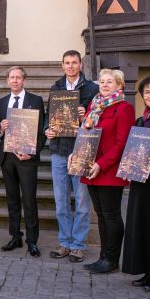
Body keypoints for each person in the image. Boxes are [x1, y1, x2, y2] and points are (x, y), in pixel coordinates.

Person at [77, 69, 134, 274]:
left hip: (109, 170)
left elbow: (121, 143)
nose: (105, 84)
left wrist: (101, 163)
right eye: (102, 82)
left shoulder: (124, 108)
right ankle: (103, 256)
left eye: (110, 82)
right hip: (90, 169)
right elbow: (86, 136)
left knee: (111, 214)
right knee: (100, 215)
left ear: (120, 86)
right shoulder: (94, 107)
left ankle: (111, 259)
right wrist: (77, 156)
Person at [45, 50, 98, 263]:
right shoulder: (55, 88)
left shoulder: (92, 89)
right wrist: (47, 130)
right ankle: (65, 242)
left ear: (80, 64)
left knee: (83, 202)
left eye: (74, 63)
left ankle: (78, 245)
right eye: (66, 63)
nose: (70, 66)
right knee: (61, 201)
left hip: (82, 150)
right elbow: (50, 118)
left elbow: (97, 120)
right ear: (62, 65)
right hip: (59, 150)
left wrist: (84, 115)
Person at [0, 66, 45, 257]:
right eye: (11, 77)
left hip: (26, 158)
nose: (15, 80)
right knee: (12, 199)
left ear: (24, 80)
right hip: (7, 157)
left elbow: (41, 132)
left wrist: (32, 153)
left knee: (29, 200)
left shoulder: (35, 100)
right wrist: (1, 128)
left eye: (18, 77)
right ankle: (15, 236)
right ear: (7, 80)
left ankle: (32, 241)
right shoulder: (2, 102)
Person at [122, 76, 150, 291]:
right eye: (147, 92)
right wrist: (127, 166)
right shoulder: (142, 119)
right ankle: (148, 271)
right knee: (144, 226)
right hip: (142, 182)